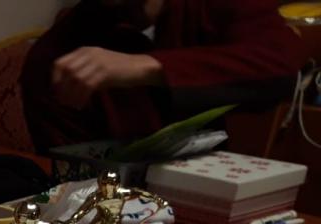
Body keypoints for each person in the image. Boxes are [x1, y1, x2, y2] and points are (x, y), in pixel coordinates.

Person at [21, 0, 307, 152]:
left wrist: (150, 66)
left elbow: (280, 66)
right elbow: (73, 175)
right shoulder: (55, 57)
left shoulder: (215, 7)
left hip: (217, 191)